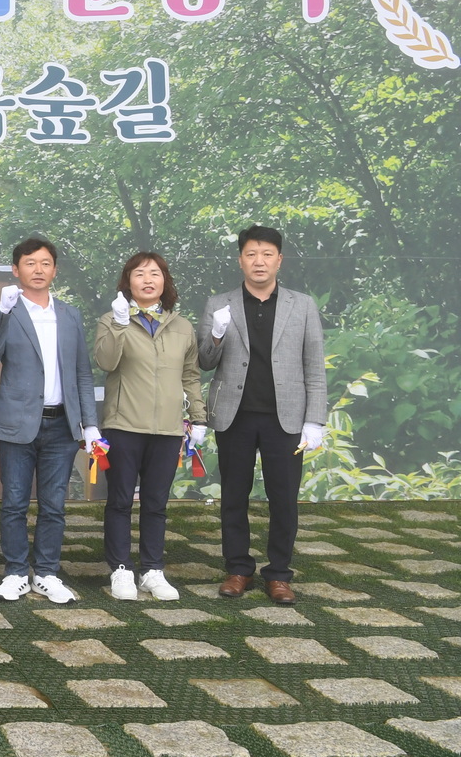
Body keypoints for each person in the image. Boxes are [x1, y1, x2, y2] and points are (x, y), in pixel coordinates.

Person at [198, 225, 326, 606]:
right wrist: (217, 334)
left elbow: (314, 366)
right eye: (251, 254)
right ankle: (238, 569)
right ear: (240, 260)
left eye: (267, 254)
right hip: (234, 415)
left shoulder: (302, 305)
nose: (259, 261)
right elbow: (204, 361)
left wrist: (314, 420)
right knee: (233, 496)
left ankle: (279, 574)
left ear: (279, 260)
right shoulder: (219, 304)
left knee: (283, 498)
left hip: (285, 417)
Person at [0, 236, 101, 604]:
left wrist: (90, 424)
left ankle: (47, 573)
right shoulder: (4, 310)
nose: (38, 269)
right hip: (17, 423)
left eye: (45, 263)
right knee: (14, 502)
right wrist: (2, 313)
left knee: (54, 505)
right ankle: (16, 572)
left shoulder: (69, 314)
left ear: (54, 270)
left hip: (62, 424)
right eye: (30, 263)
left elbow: (82, 372)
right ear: (16, 270)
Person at [93, 252, 207, 602]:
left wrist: (198, 417)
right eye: (139, 273)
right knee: (120, 501)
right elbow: (105, 361)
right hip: (124, 424)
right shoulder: (111, 319)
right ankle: (121, 569)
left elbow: (190, 375)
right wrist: (121, 324)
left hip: (168, 429)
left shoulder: (182, 326)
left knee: (156, 502)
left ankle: (152, 570)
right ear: (127, 281)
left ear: (165, 281)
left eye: (155, 273)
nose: (147, 279)